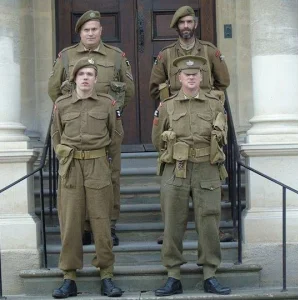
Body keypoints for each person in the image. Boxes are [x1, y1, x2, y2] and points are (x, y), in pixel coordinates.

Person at [48, 10, 135, 246]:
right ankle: (82, 228)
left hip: (105, 128)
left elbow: (128, 89)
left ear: (101, 31)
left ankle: (109, 225)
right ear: (80, 33)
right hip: (75, 128)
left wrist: (109, 113)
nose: (90, 33)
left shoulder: (115, 56)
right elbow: (54, 89)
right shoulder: (66, 57)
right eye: (86, 30)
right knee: (74, 180)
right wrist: (69, 110)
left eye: (94, 29)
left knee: (111, 175)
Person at [149, 5, 231, 244]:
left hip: (206, 115)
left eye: (189, 22)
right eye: (181, 23)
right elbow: (155, 86)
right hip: (177, 115)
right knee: (172, 185)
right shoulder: (165, 55)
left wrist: (210, 100)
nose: (186, 26)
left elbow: (223, 82)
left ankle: (214, 230)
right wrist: (173, 101)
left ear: (195, 24)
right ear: (176, 26)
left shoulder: (209, 51)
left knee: (212, 171)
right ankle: (171, 232)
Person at [152, 55, 231, 296]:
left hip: (206, 166)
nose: (191, 78)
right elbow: (157, 139)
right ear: (179, 78)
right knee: (172, 223)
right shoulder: (167, 105)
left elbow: (222, 136)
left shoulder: (215, 104)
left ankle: (209, 273)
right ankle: (173, 275)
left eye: (195, 74)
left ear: (201, 77)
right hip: (175, 168)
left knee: (208, 222)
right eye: (187, 75)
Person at [51, 57, 122, 298]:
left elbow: (115, 139)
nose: (85, 77)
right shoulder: (61, 105)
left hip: (98, 165)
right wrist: (64, 159)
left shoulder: (107, 104)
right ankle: (69, 277)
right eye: (81, 73)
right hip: (71, 168)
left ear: (95, 78)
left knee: (101, 222)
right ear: (74, 78)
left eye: (90, 74)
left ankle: (107, 275)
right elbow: (56, 137)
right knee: (70, 223)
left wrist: (110, 171)